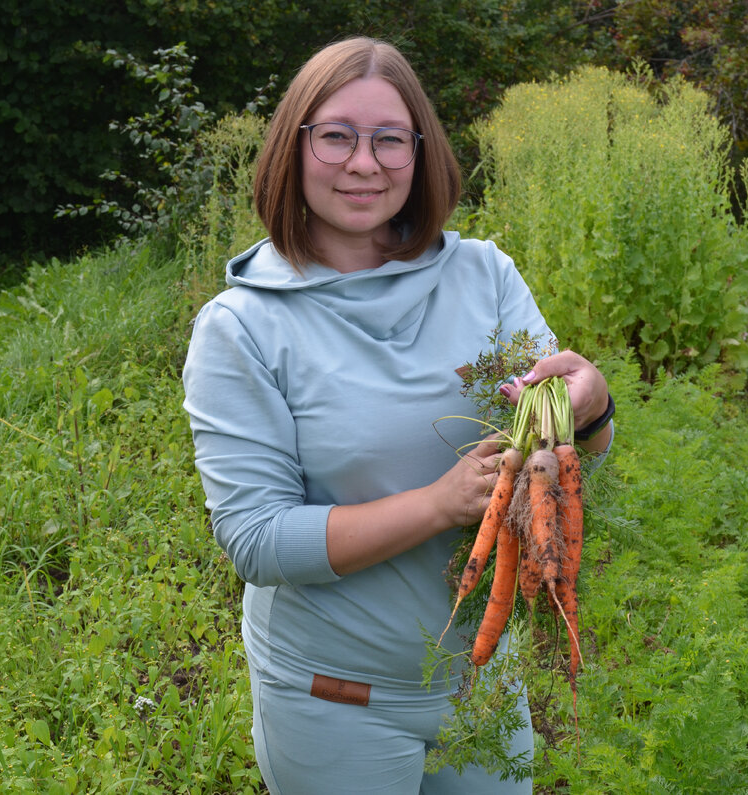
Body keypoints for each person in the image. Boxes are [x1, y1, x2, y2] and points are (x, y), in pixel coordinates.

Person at [181, 36, 613, 795]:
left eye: (389, 139)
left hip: (481, 682)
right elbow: (256, 539)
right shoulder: (241, 326)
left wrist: (590, 407)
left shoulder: (484, 274)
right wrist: (438, 503)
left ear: (421, 153)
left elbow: (559, 456)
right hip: (334, 697)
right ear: (294, 146)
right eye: (337, 136)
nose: (364, 163)